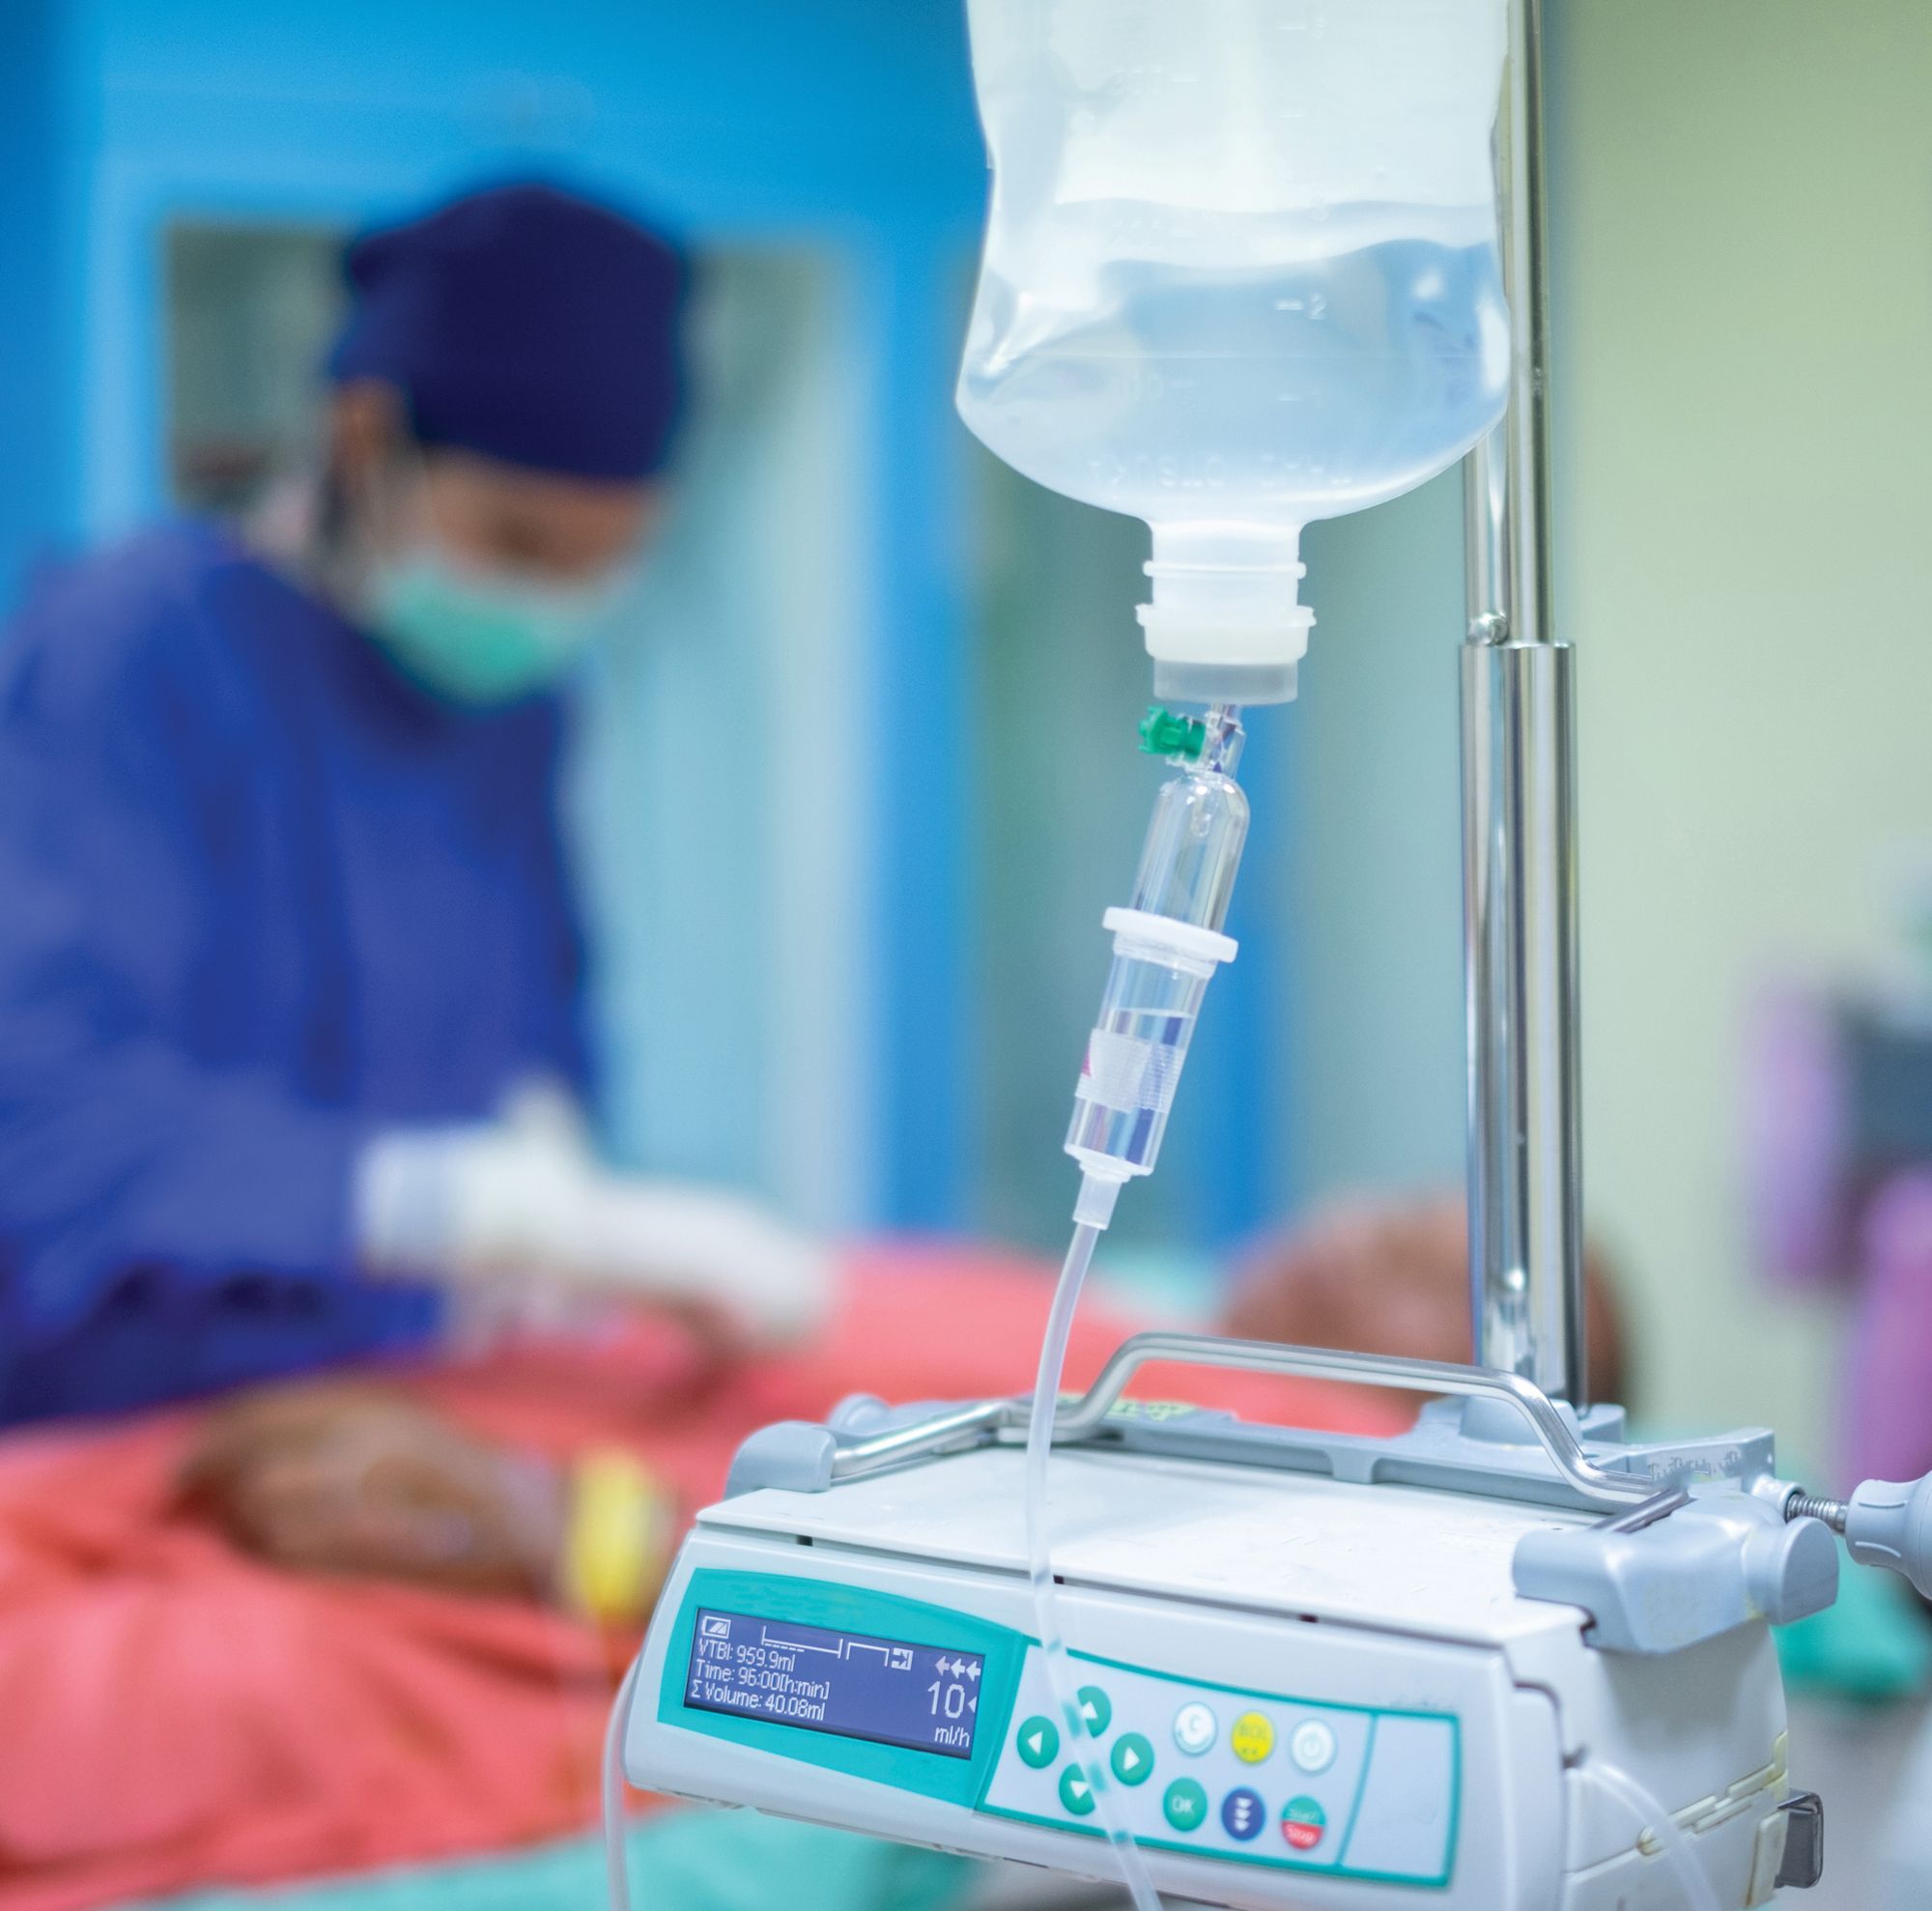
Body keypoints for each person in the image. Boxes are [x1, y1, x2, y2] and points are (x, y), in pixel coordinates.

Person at [0, 181, 826, 1428]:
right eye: (523, 542)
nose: (556, 602)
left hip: (400, 1410)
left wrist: (560, 1184)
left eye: (611, 562)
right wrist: (457, 1205)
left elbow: (543, 1040)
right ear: (362, 438)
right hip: (102, 1425)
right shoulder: (127, 652)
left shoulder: (517, 712)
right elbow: (47, 1124)